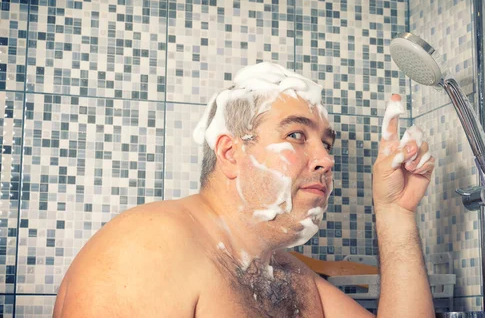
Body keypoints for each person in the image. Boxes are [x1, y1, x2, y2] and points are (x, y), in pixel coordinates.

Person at [53, 62, 436, 317]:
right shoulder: (148, 247)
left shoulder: (287, 275)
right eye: (296, 135)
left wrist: (395, 214)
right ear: (230, 153)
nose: (326, 159)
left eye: (327, 144)